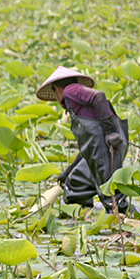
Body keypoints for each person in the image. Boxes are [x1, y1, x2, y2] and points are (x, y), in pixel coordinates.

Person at [36, 66, 130, 213]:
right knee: (75, 185)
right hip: (98, 149)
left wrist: (111, 132)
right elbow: (88, 149)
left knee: (111, 196)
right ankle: (86, 216)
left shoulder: (69, 90)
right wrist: (67, 173)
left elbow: (99, 96)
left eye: (54, 93)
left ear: (56, 88)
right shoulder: (76, 106)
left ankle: (126, 219)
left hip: (108, 144)